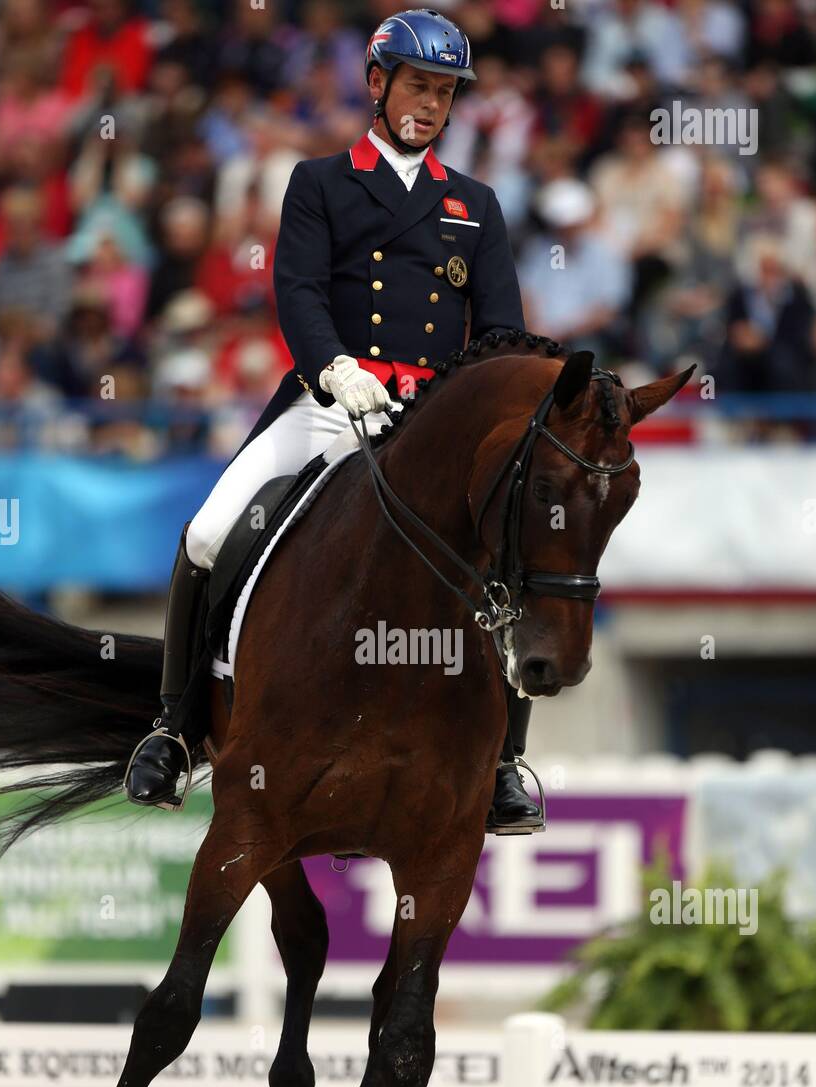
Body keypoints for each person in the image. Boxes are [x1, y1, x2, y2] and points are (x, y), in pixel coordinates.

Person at [124, 7, 544, 835]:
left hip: (432, 416)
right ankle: (172, 730)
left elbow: (499, 331)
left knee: (513, 555)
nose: (431, 103)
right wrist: (334, 368)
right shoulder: (320, 182)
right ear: (378, 84)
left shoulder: (475, 204)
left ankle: (502, 767)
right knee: (208, 534)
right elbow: (299, 293)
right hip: (332, 402)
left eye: (446, 91)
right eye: (418, 84)